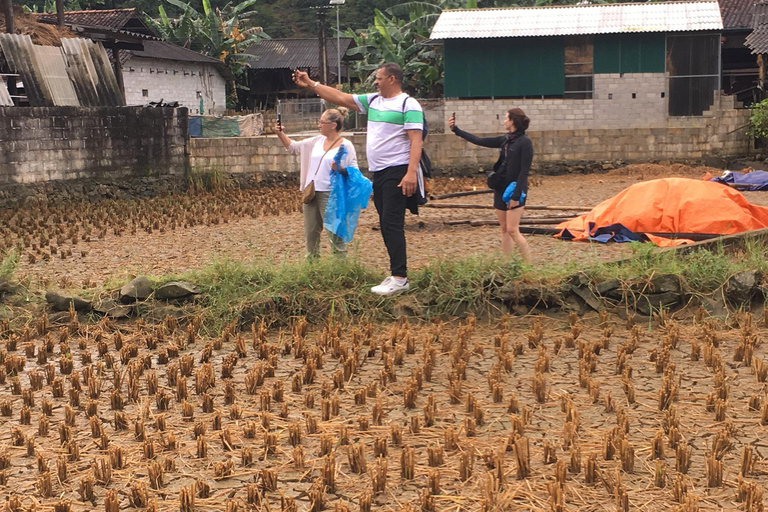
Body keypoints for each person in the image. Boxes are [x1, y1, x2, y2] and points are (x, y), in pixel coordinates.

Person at [292, 63, 424, 296]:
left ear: (392, 79)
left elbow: (416, 140)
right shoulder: (373, 101)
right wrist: (312, 84)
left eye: (379, 78)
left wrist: (411, 172)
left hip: (398, 169)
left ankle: (400, 278)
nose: (375, 81)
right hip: (380, 172)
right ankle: (396, 274)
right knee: (385, 223)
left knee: (392, 224)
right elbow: (340, 97)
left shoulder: (408, 104)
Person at [448, 109, 532, 262]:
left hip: (515, 189)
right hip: (501, 188)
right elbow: (479, 141)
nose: (504, 121)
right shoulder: (505, 140)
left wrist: (516, 196)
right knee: (505, 229)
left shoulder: (525, 142)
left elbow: (524, 172)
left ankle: (529, 267)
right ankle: (507, 265)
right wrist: (456, 130)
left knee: (513, 230)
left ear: (512, 121)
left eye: (506, 118)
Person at [276, 107, 358, 259]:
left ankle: (341, 272)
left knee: (335, 237)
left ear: (333, 125)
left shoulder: (345, 145)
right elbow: (293, 147)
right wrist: (280, 133)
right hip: (311, 193)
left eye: (322, 122)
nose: (319, 125)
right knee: (311, 236)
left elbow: (354, 172)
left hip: (331, 194)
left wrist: (340, 168)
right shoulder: (316, 141)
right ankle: (312, 270)